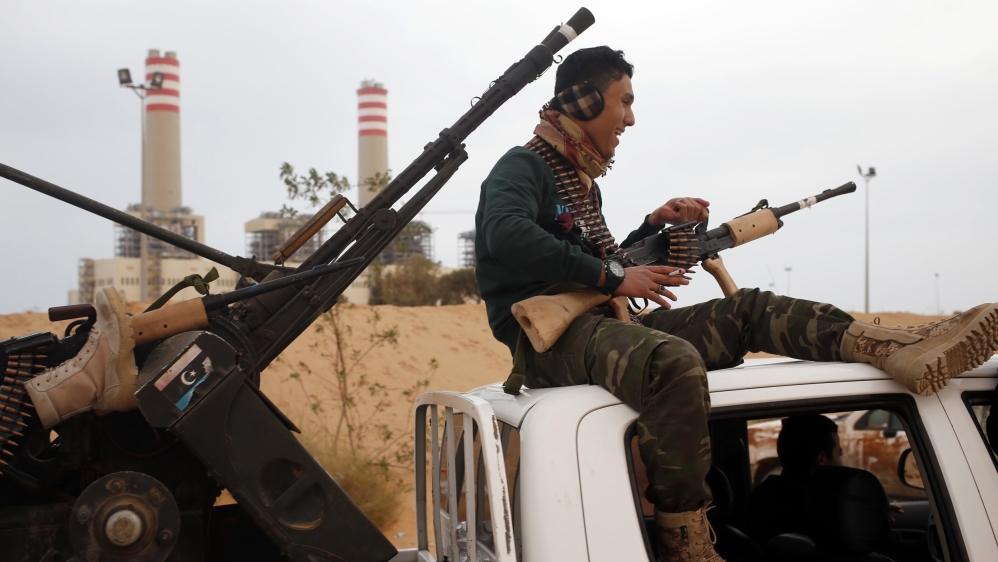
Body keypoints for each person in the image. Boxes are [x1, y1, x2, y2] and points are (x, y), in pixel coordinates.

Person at [474, 46, 995, 562]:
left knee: (750, 309)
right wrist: (613, 276)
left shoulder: (579, 182)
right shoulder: (525, 166)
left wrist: (651, 227)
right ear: (585, 102)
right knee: (672, 363)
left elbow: (589, 260)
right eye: (624, 102)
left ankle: (896, 347)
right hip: (546, 343)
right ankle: (685, 540)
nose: (630, 119)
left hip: (600, 325)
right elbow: (506, 232)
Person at [749, 415, 842, 543]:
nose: (842, 463)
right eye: (839, 454)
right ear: (821, 459)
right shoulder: (825, 513)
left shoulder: (762, 495)